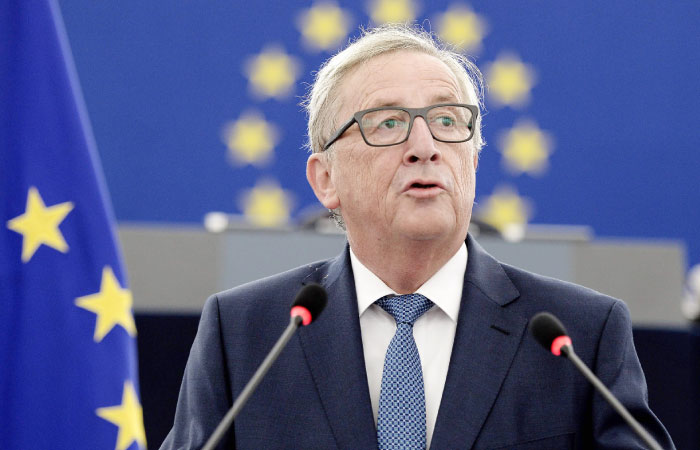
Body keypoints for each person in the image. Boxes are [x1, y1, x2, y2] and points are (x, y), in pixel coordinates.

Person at [161, 25, 674, 449]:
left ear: (472, 161)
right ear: (325, 180)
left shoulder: (578, 335)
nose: (424, 146)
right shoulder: (247, 333)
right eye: (387, 123)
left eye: (447, 120)